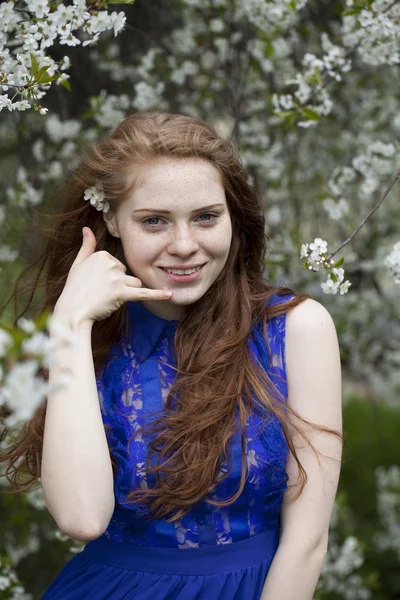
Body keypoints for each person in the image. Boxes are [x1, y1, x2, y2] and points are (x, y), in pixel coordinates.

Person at [1, 111, 342, 599]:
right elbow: (83, 516)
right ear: (112, 221)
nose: (185, 246)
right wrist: (70, 326)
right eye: (154, 221)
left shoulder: (295, 330)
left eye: (206, 216)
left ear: (233, 215)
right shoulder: (88, 339)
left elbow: (308, 540)